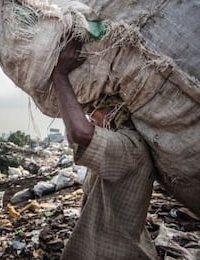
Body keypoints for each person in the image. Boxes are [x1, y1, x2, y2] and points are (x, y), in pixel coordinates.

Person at [52, 40, 157, 259]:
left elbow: (81, 133)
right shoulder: (122, 144)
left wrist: (59, 75)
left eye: (96, 110)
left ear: (114, 110)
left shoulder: (131, 147)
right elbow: (77, 136)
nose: (91, 115)